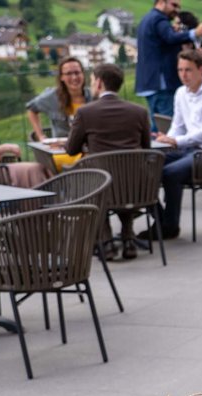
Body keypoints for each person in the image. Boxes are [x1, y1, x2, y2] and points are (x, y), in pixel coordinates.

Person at [136, 50, 202, 242]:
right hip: (189, 150)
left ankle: (169, 227)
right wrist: (167, 139)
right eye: (180, 70)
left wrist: (177, 141)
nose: (183, 75)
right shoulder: (181, 93)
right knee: (143, 166)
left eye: (188, 70)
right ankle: (162, 220)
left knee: (170, 173)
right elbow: (178, 126)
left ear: (200, 69)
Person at [65, 63, 152, 259]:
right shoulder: (139, 112)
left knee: (95, 180)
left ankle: (106, 242)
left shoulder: (85, 113)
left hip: (102, 187)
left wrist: (88, 146)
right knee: (123, 177)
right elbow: (146, 149)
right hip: (136, 188)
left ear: (99, 83)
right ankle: (128, 238)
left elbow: (71, 150)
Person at [136, 0, 202, 130]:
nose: (177, 10)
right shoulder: (159, 19)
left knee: (158, 128)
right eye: (174, 5)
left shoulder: (148, 19)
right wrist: (194, 33)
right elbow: (170, 38)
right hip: (162, 84)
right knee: (168, 127)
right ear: (161, 2)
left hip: (151, 83)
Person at [26, 57, 91, 141]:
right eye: (68, 74)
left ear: (83, 74)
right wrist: (40, 136)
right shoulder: (51, 97)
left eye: (77, 72)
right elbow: (31, 109)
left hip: (91, 150)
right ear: (61, 77)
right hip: (62, 150)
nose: (74, 77)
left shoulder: (94, 96)